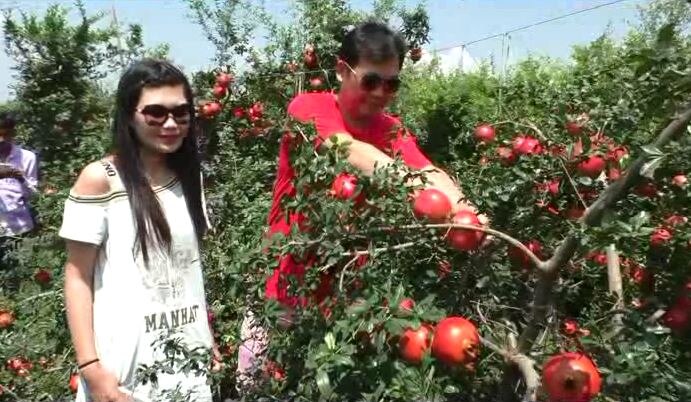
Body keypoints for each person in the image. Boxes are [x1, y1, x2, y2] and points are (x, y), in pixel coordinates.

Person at [236, 21, 487, 391]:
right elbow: (350, 150)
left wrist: (470, 213)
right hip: (284, 296)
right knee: (262, 391)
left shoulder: (391, 129)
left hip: (350, 307)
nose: (381, 93)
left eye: (392, 83)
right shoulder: (308, 106)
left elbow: (429, 171)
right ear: (342, 70)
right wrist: (415, 186)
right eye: (371, 80)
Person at [59, 59, 217, 402]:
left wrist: (207, 339)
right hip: (123, 373)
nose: (171, 123)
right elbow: (77, 277)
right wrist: (91, 369)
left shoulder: (189, 179)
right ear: (130, 115)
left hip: (189, 363)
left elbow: (189, 269)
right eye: (156, 113)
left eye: (181, 112)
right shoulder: (100, 180)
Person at [0, 111, 38, 265]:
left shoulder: (27, 157)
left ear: (12, 133)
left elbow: (34, 196)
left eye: (5, 134)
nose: (1, 140)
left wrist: (20, 178)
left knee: (23, 274)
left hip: (20, 228)